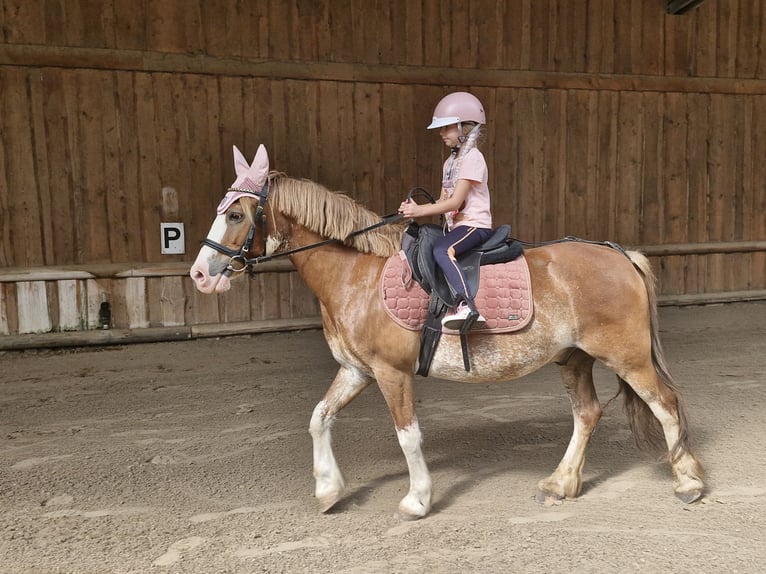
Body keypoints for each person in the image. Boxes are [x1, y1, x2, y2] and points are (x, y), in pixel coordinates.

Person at [399, 91, 493, 331]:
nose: (441, 134)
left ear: (464, 128)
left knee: (443, 249)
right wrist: (413, 211)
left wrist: (419, 210)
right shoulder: (450, 163)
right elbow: (442, 201)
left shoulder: (473, 158)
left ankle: (466, 305)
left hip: (474, 225)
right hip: (456, 226)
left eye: (447, 128)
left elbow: (454, 203)